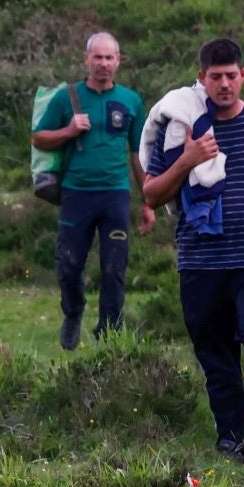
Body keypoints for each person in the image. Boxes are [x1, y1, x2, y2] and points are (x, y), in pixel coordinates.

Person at [143, 37, 244, 468]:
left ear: (243, 75)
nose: (224, 84)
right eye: (215, 77)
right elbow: (152, 193)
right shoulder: (182, 128)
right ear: (202, 78)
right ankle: (229, 438)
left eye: (232, 75)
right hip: (199, 261)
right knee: (215, 352)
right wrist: (187, 159)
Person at [30, 31, 155, 351]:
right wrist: (69, 131)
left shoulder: (131, 101)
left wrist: (148, 200)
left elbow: (137, 154)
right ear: (86, 59)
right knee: (69, 264)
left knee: (115, 267)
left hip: (115, 194)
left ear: (118, 62)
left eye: (109, 57)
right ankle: (73, 312)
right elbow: (39, 138)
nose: (103, 63)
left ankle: (109, 329)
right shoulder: (66, 97)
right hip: (76, 193)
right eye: (97, 57)